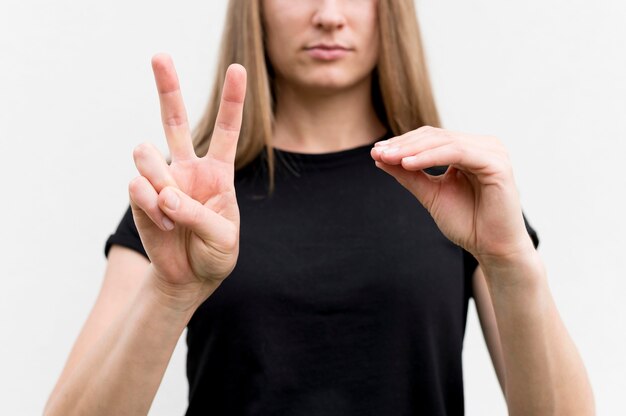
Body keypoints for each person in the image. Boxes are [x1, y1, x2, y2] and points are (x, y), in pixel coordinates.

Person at [45, 0, 595, 415]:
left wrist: (509, 260)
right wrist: (169, 294)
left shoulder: (455, 186)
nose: (329, 15)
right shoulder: (191, 202)